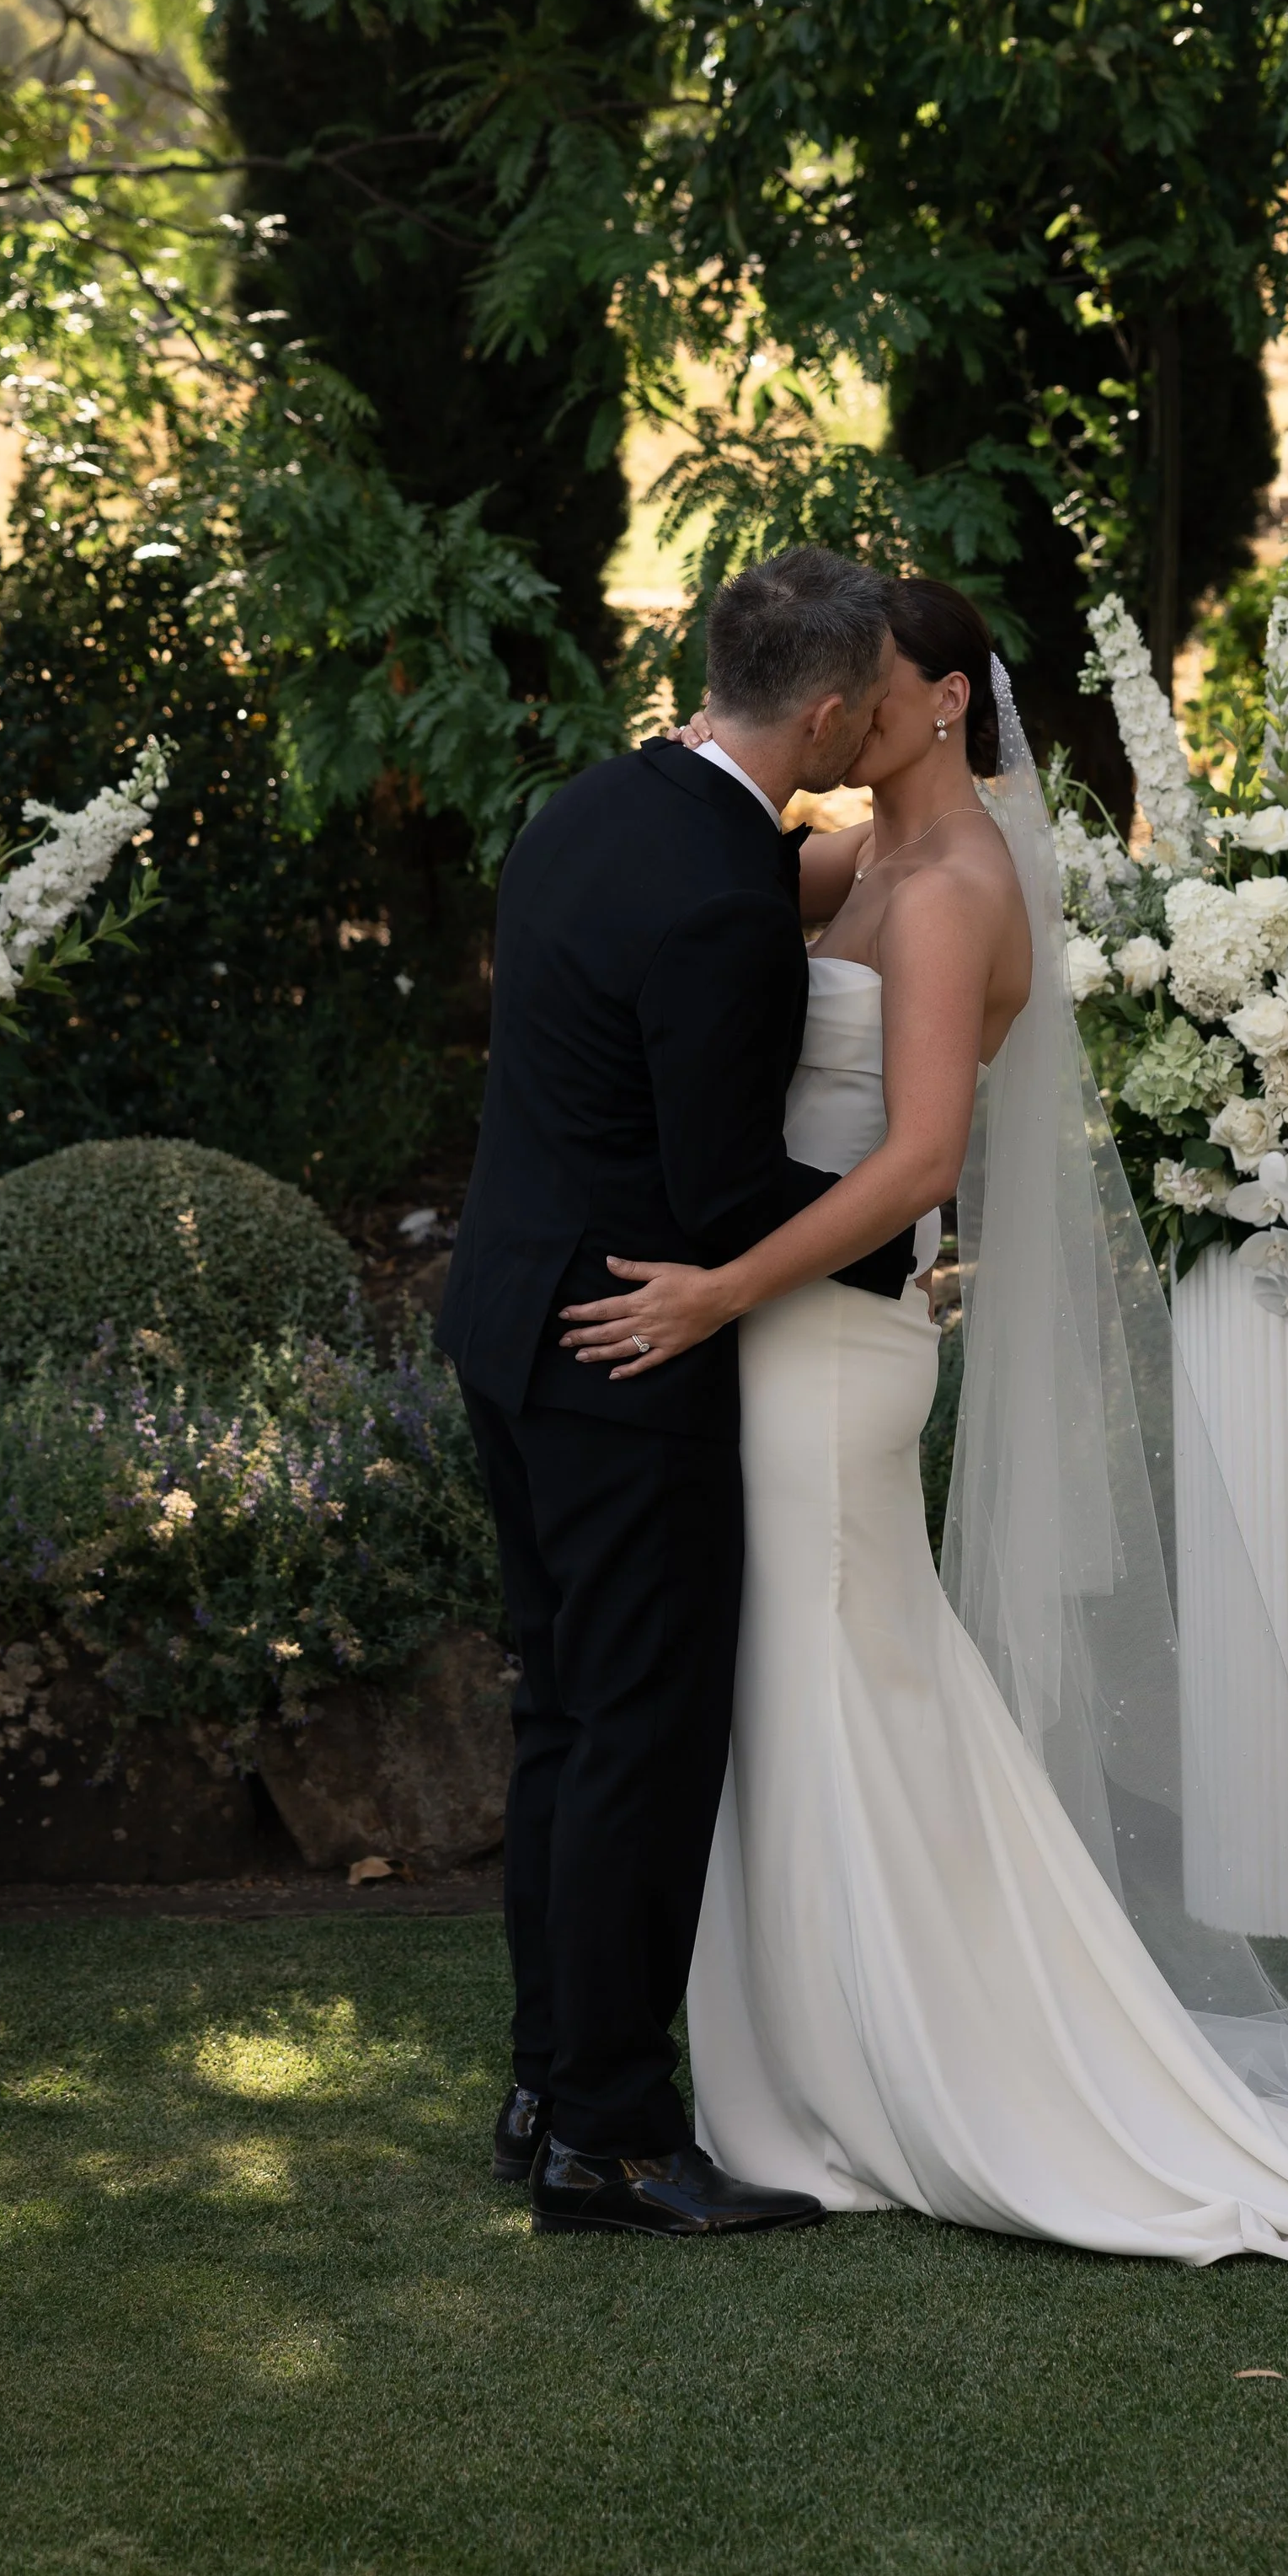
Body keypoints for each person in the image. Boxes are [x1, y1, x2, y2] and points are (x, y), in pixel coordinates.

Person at [555, 576, 1288, 2264]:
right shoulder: (860, 846)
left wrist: (716, 1292)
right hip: (780, 1328)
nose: (839, 712)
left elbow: (921, 1164)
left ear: (938, 700)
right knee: (826, 1696)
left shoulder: (948, 890)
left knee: (827, 1684)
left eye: (868, 689)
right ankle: (820, 2044)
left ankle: (873, 2071)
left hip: (824, 1337)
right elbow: (694, 865)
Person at [439, 547, 919, 2237]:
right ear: (832, 707)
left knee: (564, 1727)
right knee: (639, 1742)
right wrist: (896, 1255)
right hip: (623, 1359)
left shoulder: (591, 811)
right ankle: (616, 2140)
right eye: (870, 701)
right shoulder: (722, 903)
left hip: (505, 1325)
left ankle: (542, 2091)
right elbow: (723, 1194)